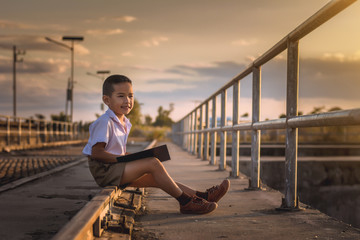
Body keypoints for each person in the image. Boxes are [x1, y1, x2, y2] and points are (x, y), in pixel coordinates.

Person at [82, 74, 230, 214]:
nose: (127, 100)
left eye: (130, 96)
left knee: (158, 179)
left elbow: (115, 151)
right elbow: (97, 153)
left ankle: (202, 196)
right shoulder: (105, 122)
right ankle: (185, 202)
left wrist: (131, 157)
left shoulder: (124, 122)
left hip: (115, 168)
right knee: (153, 163)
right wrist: (123, 159)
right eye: (121, 96)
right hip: (105, 171)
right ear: (107, 100)